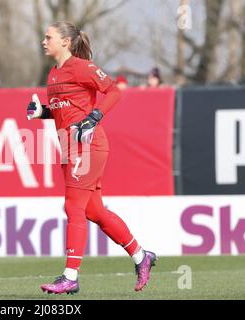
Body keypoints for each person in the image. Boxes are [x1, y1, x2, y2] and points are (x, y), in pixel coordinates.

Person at [26, 21, 157, 295]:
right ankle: (140, 255)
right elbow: (67, 110)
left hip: (87, 146)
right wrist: (44, 113)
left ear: (65, 42)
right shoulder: (53, 73)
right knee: (94, 211)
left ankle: (70, 276)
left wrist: (95, 116)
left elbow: (114, 91)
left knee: (73, 207)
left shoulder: (82, 67)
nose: (43, 41)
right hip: (68, 147)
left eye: (48, 37)